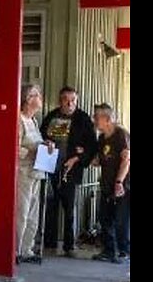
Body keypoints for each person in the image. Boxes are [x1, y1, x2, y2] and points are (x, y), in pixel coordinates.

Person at [40, 86, 98, 257]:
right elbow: (42, 136)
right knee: (51, 205)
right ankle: (49, 243)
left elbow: (92, 145)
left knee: (70, 207)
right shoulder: (51, 116)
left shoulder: (83, 118)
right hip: (51, 168)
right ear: (60, 100)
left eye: (73, 99)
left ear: (76, 101)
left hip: (71, 169)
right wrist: (46, 141)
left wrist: (78, 158)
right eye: (66, 99)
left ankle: (69, 245)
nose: (69, 103)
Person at [16, 83, 54, 263]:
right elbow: (13, 149)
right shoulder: (18, 120)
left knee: (32, 214)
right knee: (21, 213)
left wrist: (46, 145)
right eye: (37, 95)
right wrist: (33, 151)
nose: (40, 98)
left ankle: (26, 249)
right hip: (22, 173)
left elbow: (35, 143)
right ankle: (14, 250)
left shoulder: (34, 121)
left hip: (36, 172)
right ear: (28, 98)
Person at [90, 103, 130, 264]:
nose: (94, 120)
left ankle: (124, 251)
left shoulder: (121, 135)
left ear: (107, 119)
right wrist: (94, 160)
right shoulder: (101, 138)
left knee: (121, 219)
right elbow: (103, 158)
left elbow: (126, 161)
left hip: (123, 184)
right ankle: (108, 251)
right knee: (104, 218)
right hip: (106, 184)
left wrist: (119, 182)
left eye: (96, 117)